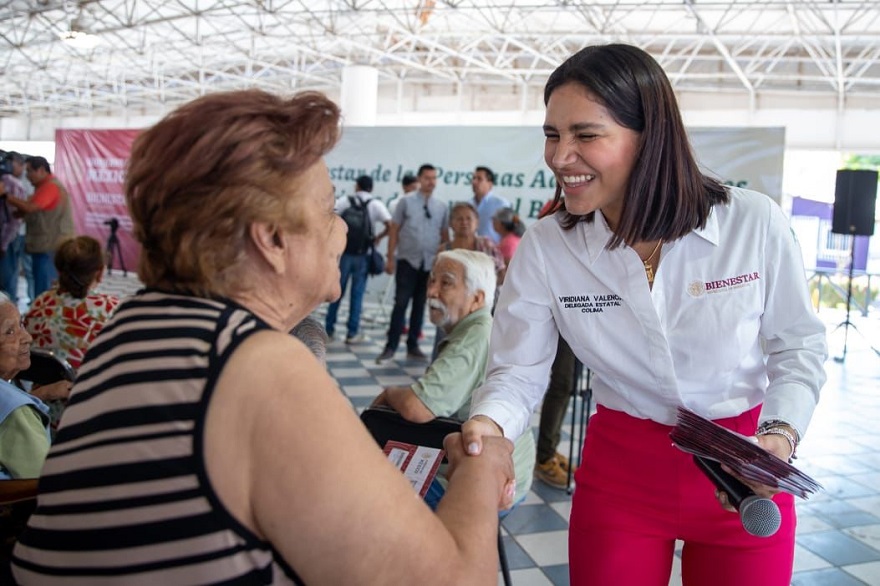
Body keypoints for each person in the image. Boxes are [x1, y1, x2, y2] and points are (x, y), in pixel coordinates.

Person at [12, 89, 515, 585]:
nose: (340, 229)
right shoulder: (253, 363)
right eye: (327, 209)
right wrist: (485, 465)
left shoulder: (130, 328)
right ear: (271, 238)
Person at [462, 43, 827, 586]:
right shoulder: (547, 247)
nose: (560, 156)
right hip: (622, 475)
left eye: (585, 135)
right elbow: (518, 370)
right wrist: (487, 428)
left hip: (744, 469)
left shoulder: (751, 223)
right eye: (552, 134)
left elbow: (797, 346)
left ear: (649, 136)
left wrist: (779, 436)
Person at [371, 249, 534, 509]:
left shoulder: (475, 338)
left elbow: (417, 407)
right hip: (485, 462)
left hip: (491, 480)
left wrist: (391, 393)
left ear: (477, 298)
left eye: (445, 283)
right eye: (431, 281)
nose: (431, 292)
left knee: (370, 487)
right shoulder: (477, 328)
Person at [377, 163, 449, 363]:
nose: (431, 182)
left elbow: (444, 236)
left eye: (434, 178)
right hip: (408, 261)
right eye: (427, 178)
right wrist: (390, 258)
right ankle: (390, 346)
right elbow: (394, 230)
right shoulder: (405, 202)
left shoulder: (441, 206)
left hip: (430, 265)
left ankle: (413, 345)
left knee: (420, 305)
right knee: (400, 304)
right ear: (419, 180)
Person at [0, 295, 71, 480]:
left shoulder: (42, 301)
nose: (28, 337)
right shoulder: (18, 415)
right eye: (9, 332)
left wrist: (38, 395)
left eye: (21, 325)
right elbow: (47, 485)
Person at [324, 175, 391, 344]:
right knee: (357, 294)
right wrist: (378, 238)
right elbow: (390, 224)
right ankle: (352, 333)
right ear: (371, 188)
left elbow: (329, 214)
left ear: (357, 186)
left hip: (345, 254)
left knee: (335, 292)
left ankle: (329, 330)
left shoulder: (346, 200)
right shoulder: (375, 204)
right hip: (363, 255)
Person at [5, 156, 75, 298]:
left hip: (50, 249)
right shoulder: (41, 188)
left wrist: (6, 196)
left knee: (45, 293)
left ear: (42, 170)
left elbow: (31, 208)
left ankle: (43, 319)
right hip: (44, 248)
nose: (27, 176)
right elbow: (29, 212)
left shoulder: (50, 187)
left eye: (30, 171)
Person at [0, 157, 27, 304]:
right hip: (9, 238)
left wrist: (3, 244)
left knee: (7, 280)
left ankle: (7, 318)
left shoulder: (8, 183)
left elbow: (13, 219)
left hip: (7, 239)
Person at [470, 166, 511, 244]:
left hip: (494, 251)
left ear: (490, 184)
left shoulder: (501, 204)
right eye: (473, 178)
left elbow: (508, 232)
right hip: (471, 252)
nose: (474, 182)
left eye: (479, 179)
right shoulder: (468, 204)